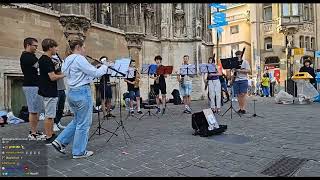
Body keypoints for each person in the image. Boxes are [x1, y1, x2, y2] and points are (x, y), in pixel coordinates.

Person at [51, 39, 109, 159]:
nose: (85, 50)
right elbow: (95, 73)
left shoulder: (67, 59)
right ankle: (78, 152)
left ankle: (60, 141)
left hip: (72, 92)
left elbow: (79, 72)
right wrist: (105, 66)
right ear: (78, 47)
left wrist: (93, 65)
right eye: (83, 47)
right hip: (82, 92)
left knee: (78, 120)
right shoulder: (79, 58)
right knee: (84, 123)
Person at [38, 39, 65, 144]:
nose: (57, 49)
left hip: (50, 89)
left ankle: (51, 133)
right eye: (55, 47)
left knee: (51, 114)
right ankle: (49, 136)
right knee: (49, 116)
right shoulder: (46, 60)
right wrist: (65, 74)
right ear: (50, 47)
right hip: (49, 90)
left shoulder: (47, 59)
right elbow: (52, 77)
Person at [20, 37, 46, 140]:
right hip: (31, 86)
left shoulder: (31, 56)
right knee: (33, 111)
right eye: (34, 46)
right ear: (28, 45)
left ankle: (34, 131)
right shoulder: (27, 57)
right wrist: (45, 56)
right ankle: (33, 133)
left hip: (34, 85)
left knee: (35, 110)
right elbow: (41, 66)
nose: (36, 48)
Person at [51, 54, 67, 132]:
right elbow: (58, 72)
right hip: (55, 87)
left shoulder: (59, 61)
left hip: (61, 87)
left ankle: (58, 122)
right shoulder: (51, 61)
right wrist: (61, 65)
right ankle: (54, 123)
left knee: (61, 107)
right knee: (55, 107)